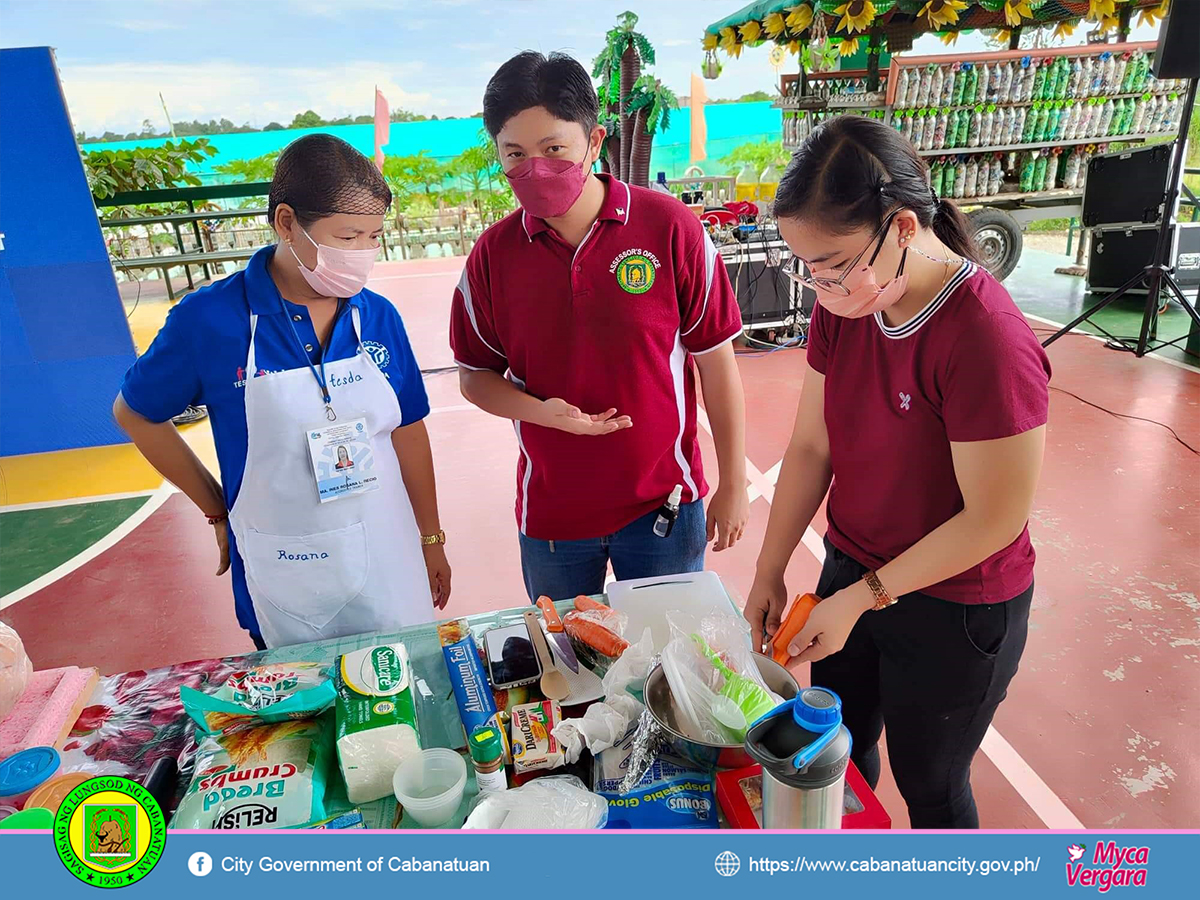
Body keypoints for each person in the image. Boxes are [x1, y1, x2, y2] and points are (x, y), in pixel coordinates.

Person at [744, 116, 1050, 828]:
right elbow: (812, 447)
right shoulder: (847, 304)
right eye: (807, 268)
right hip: (853, 567)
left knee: (932, 783)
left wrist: (866, 597)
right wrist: (770, 567)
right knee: (843, 748)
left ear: (904, 226)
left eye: (835, 263)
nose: (822, 285)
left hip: (956, 604)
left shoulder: (985, 338)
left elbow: (994, 519)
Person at [114, 134, 451, 650]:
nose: (363, 254)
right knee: (304, 710)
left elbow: (407, 429)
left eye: (373, 237)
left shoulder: (376, 315)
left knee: (411, 699)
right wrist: (215, 508)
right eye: (348, 236)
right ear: (287, 223)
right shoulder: (210, 321)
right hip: (287, 569)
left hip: (389, 552)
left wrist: (430, 537)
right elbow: (136, 413)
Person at [450, 51, 749, 602]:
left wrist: (733, 482)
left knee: (668, 663)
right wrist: (542, 414)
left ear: (593, 142)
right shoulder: (493, 257)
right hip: (553, 518)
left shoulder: (671, 229)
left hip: (665, 505)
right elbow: (475, 376)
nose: (534, 168)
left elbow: (716, 363)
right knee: (568, 666)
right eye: (514, 153)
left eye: (553, 149)